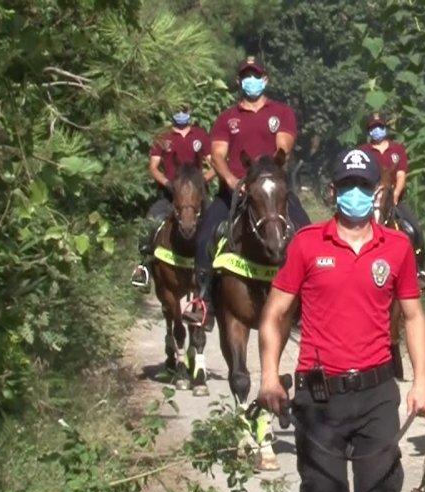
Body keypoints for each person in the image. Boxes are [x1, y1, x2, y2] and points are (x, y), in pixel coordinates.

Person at [256, 148, 425, 492]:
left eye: (364, 184)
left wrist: (421, 381)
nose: (355, 193)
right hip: (319, 395)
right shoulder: (308, 244)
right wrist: (270, 375)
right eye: (346, 184)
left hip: (377, 393)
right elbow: (274, 317)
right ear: (332, 192)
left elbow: (415, 318)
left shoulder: (397, 248)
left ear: (377, 190)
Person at [183, 56, 311, 323]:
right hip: (235, 191)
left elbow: (283, 147)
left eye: (256, 76)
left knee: (306, 231)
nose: (251, 80)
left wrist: (265, 173)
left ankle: (311, 303)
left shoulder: (282, 113)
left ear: (265, 80)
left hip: (271, 188)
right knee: (206, 233)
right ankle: (203, 300)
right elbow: (218, 154)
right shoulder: (226, 118)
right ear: (239, 82)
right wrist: (231, 180)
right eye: (246, 76)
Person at [130, 105, 213, 288]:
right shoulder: (163, 136)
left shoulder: (200, 135)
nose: (181, 113)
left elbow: (215, 164)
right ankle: (143, 266)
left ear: (190, 112)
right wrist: (168, 183)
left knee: (214, 224)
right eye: (177, 110)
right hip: (170, 195)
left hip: (196, 198)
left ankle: (216, 272)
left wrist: (200, 181)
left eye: (184, 110)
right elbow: (153, 167)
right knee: (150, 221)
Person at [359, 111, 425, 287]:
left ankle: (418, 270)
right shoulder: (364, 151)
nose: (377, 131)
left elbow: (401, 176)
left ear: (385, 128)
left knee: (415, 230)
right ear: (369, 131)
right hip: (369, 200)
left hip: (393, 200)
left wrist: (395, 195)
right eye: (373, 128)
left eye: (380, 127)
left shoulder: (397, 150)